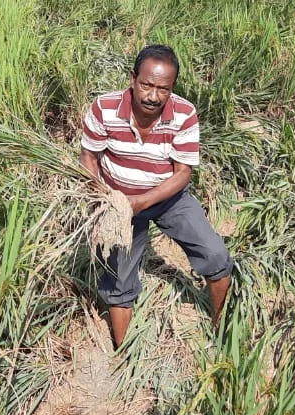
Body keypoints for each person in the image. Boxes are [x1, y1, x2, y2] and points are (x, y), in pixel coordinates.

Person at [80, 44, 233, 349]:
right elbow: (89, 158)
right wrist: (104, 201)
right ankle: (123, 353)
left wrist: (141, 202)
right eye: (146, 85)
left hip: (167, 197)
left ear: (172, 88)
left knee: (215, 255)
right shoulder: (104, 108)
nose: (152, 96)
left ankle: (220, 328)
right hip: (118, 202)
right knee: (118, 280)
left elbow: (182, 173)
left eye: (162, 89)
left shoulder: (184, 113)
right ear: (132, 78)